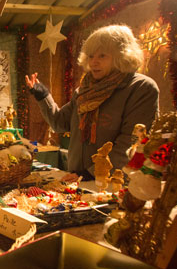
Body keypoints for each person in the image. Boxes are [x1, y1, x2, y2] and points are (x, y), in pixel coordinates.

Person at [25, 24, 159, 182]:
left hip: (115, 183)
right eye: (90, 56)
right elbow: (59, 123)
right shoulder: (85, 90)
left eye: (102, 56)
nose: (94, 62)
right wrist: (42, 95)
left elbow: (130, 144)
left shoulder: (140, 88)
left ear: (121, 56)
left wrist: (92, 173)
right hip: (79, 181)